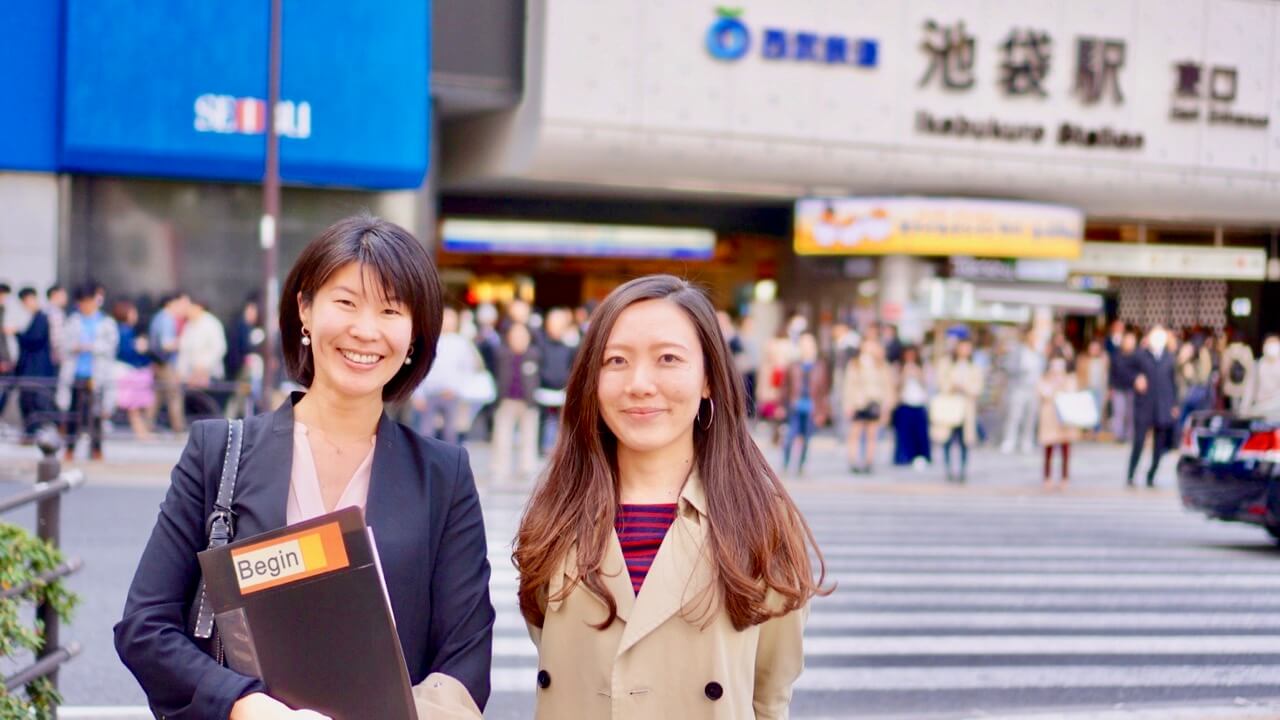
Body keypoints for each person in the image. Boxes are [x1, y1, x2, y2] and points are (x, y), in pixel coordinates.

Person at [115, 214, 495, 719]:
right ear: (305, 310)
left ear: (414, 334)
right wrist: (243, 705)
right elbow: (145, 625)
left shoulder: (443, 475)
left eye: (390, 310)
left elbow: (466, 657)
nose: (365, 330)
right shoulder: (220, 451)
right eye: (346, 302)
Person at [512, 274, 828, 718]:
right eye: (616, 361)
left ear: (708, 379)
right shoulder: (557, 512)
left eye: (668, 358)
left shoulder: (761, 520)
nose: (640, 383)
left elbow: (769, 694)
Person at [57, 285, 119, 461]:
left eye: (88, 301)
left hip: (97, 375)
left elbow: (112, 347)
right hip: (77, 373)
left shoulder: (106, 323)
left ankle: (96, 449)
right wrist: (75, 347)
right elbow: (63, 345)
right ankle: (69, 449)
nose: (85, 305)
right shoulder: (73, 321)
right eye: (82, 302)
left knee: (97, 415)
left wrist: (92, 347)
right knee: (73, 414)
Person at [411, 306, 475, 445]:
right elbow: (419, 370)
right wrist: (418, 394)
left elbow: (467, 370)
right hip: (430, 393)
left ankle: (448, 464)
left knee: (450, 433)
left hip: (451, 393)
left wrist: (457, 389)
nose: (448, 322)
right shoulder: (429, 341)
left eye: (451, 318)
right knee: (425, 432)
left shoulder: (462, 343)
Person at [490, 322, 541, 483]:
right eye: (515, 335)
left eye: (522, 335)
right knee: (502, 436)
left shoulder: (535, 354)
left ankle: (527, 468)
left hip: (528, 401)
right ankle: (500, 468)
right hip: (506, 400)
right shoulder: (501, 354)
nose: (519, 339)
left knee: (529, 436)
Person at [1128, 325, 1178, 488]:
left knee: (1159, 445)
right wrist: (1136, 378)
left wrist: (1174, 404)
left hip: (1163, 405)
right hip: (1144, 405)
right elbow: (1125, 370)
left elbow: (1173, 383)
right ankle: (1131, 473)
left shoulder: (1169, 358)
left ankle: (1152, 474)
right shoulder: (1140, 356)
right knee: (1139, 441)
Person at [932, 339, 984, 483]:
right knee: (947, 439)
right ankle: (948, 469)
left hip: (966, 408)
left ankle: (962, 471)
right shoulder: (947, 363)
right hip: (950, 406)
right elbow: (940, 381)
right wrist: (951, 386)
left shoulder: (973, 366)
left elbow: (978, 387)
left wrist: (966, 387)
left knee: (964, 441)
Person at [779, 332, 829, 474]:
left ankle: (801, 465)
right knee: (790, 436)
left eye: (809, 345)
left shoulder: (820, 366)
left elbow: (823, 391)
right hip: (794, 406)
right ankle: (786, 464)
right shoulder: (793, 365)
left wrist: (822, 411)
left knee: (806, 439)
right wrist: (781, 406)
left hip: (811, 408)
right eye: (803, 345)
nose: (806, 348)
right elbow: (785, 387)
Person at [842, 339, 892, 474]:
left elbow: (887, 386)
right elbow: (849, 385)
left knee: (872, 434)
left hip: (874, 402)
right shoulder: (855, 364)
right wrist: (848, 404)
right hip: (858, 403)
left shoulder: (881, 365)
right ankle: (853, 461)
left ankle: (869, 462)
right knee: (855, 433)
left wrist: (887, 405)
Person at [15, 287, 56, 440]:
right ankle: (30, 432)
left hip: (37, 368)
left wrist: (18, 334)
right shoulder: (34, 317)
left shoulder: (41, 317)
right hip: (30, 367)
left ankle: (36, 432)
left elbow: (35, 341)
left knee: (36, 401)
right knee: (27, 400)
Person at [112, 299, 156, 440]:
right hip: (129, 372)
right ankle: (142, 433)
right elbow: (126, 352)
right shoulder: (125, 331)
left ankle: (142, 432)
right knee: (134, 406)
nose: (135, 315)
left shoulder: (121, 330)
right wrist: (140, 350)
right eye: (133, 312)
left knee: (133, 407)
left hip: (125, 371)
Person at [537, 307, 577, 453]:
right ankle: (542, 447)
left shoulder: (571, 345)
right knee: (543, 422)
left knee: (561, 423)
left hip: (562, 392)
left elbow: (572, 366)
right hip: (543, 391)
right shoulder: (540, 343)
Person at [149, 292, 190, 432]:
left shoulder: (159, 317)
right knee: (174, 396)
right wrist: (182, 343)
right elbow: (166, 344)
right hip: (165, 364)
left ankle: (146, 425)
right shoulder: (166, 319)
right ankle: (178, 428)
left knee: (157, 396)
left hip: (159, 363)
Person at [1000, 329, 1045, 455]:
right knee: (1014, 415)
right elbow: (1008, 367)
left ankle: (1027, 441)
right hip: (1019, 388)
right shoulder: (1018, 351)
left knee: (1030, 417)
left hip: (1034, 389)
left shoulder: (1039, 355)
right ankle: (1009, 440)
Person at [1039, 356, 1080, 489]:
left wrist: (1061, 383)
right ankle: (1047, 477)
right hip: (1049, 419)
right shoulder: (1044, 379)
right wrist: (1054, 385)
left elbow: (1072, 393)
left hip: (1064, 420)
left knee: (1065, 450)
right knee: (1048, 450)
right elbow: (1043, 393)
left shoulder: (1069, 379)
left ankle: (1064, 477)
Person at [891, 345, 932, 468]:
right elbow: (895, 385)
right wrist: (904, 374)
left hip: (919, 403)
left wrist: (917, 373)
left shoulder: (922, 367)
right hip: (904, 403)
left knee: (920, 433)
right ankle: (904, 457)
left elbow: (927, 383)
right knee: (904, 434)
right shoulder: (898, 367)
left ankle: (922, 456)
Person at [177, 296, 227, 389]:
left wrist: (202, 367)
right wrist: (181, 372)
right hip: (190, 380)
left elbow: (219, 348)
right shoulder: (189, 326)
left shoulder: (211, 323)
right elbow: (184, 351)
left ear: (198, 307)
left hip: (210, 376)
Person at [1108, 331, 1139, 443]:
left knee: (1131, 413)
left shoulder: (1137, 356)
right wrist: (1110, 387)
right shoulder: (1117, 355)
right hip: (1118, 388)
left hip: (1132, 388)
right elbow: (1112, 372)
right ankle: (1118, 435)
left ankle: (1129, 435)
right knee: (1119, 412)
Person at [1076, 339, 1109, 439]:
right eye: (1092, 348)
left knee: (1098, 410)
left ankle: (1096, 431)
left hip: (1099, 388)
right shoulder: (1083, 359)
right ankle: (1086, 431)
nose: (1094, 350)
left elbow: (1106, 375)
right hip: (1087, 388)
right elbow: (1079, 375)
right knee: (1087, 409)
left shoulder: (1103, 359)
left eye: (1096, 348)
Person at [1249, 334, 1280, 411]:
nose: (1272, 347)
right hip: (1260, 410)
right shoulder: (1258, 364)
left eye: (1275, 344)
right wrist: (1244, 409)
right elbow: (1250, 388)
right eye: (1269, 344)